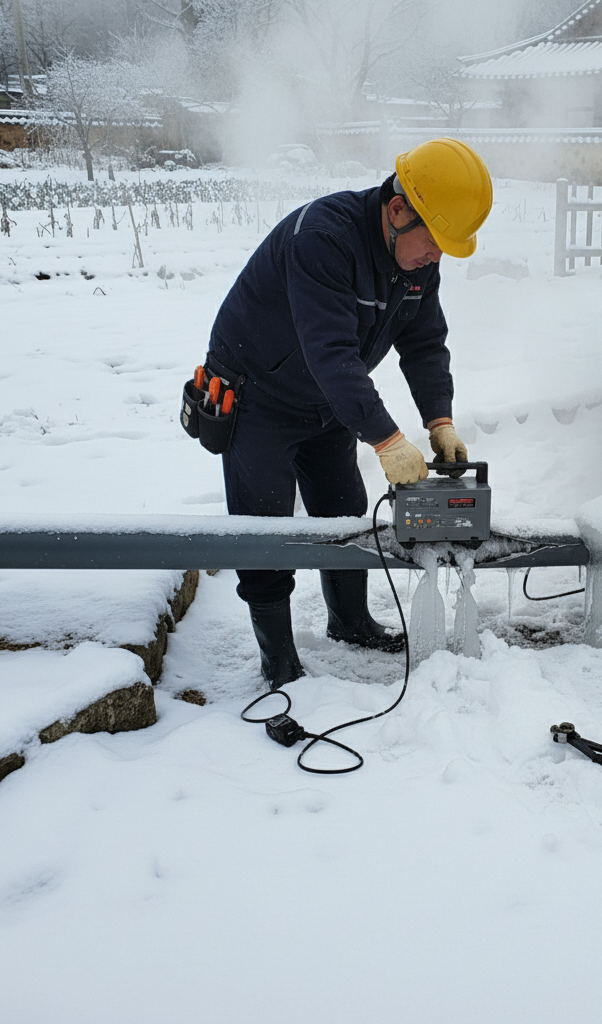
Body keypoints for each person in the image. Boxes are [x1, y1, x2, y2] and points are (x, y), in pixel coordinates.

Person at [203, 138, 492, 688]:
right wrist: (385, 438)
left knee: (343, 507)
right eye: (434, 243)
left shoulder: (416, 259)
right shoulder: (324, 237)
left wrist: (440, 419)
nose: (437, 257)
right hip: (258, 392)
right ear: (398, 209)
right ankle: (277, 657)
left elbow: (425, 343)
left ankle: (349, 620)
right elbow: (329, 351)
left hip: (329, 397)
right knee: (262, 525)